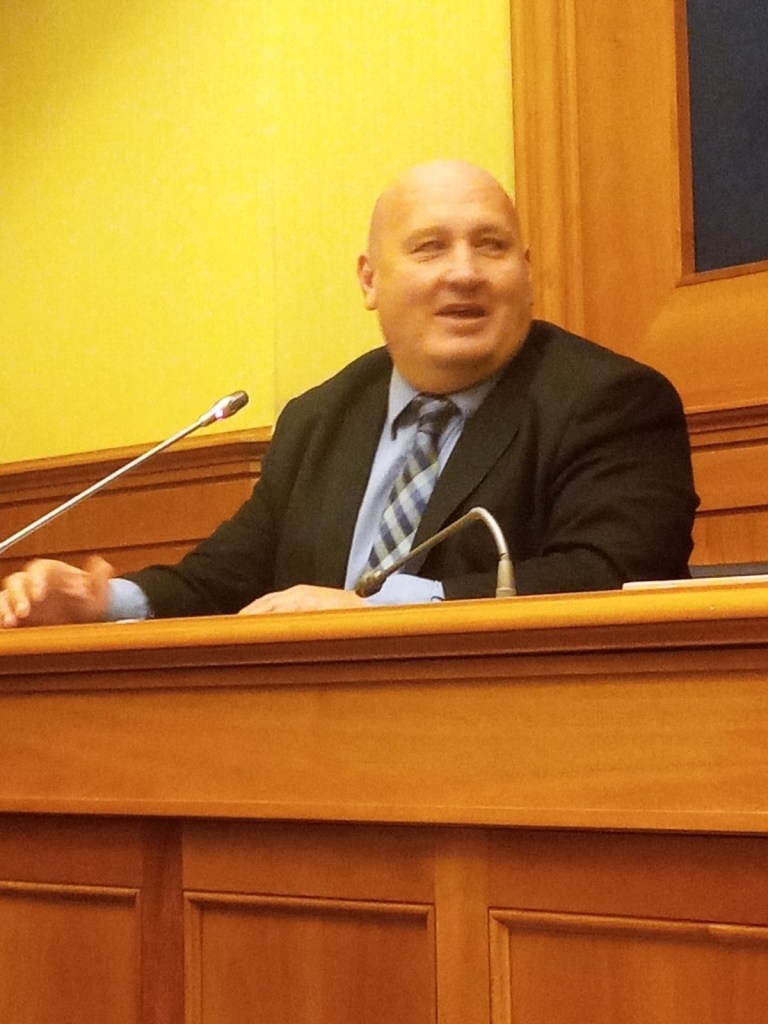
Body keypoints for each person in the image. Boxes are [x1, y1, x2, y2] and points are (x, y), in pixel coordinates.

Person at [0, 159, 698, 628]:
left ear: (526, 270)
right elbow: (226, 580)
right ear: (369, 280)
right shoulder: (321, 417)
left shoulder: (611, 402)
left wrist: (376, 609)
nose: (464, 273)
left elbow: (614, 577)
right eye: (429, 248)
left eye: (491, 246)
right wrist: (102, 601)